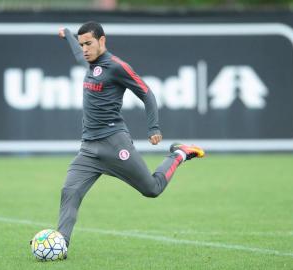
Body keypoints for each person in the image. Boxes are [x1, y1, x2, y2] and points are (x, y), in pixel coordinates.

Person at [57, 21, 204, 249]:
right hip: (88, 149)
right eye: (82, 44)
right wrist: (67, 34)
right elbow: (78, 54)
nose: (84, 49)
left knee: (152, 189)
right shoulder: (88, 62)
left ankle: (179, 154)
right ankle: (61, 244)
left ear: (102, 41)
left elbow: (147, 93)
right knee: (70, 191)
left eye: (89, 43)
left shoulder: (117, 67)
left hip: (115, 144)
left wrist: (153, 127)